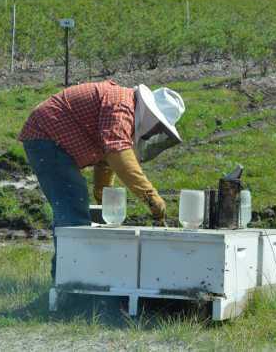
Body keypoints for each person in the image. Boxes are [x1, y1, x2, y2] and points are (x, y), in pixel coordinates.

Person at [18, 80, 185, 278]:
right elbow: (118, 153)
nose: (156, 132)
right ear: (151, 115)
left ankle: (74, 277)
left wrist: (103, 194)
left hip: (51, 139)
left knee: (74, 205)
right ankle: (67, 282)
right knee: (72, 207)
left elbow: (106, 159)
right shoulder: (121, 105)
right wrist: (150, 196)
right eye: (158, 127)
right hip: (45, 137)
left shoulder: (124, 105)